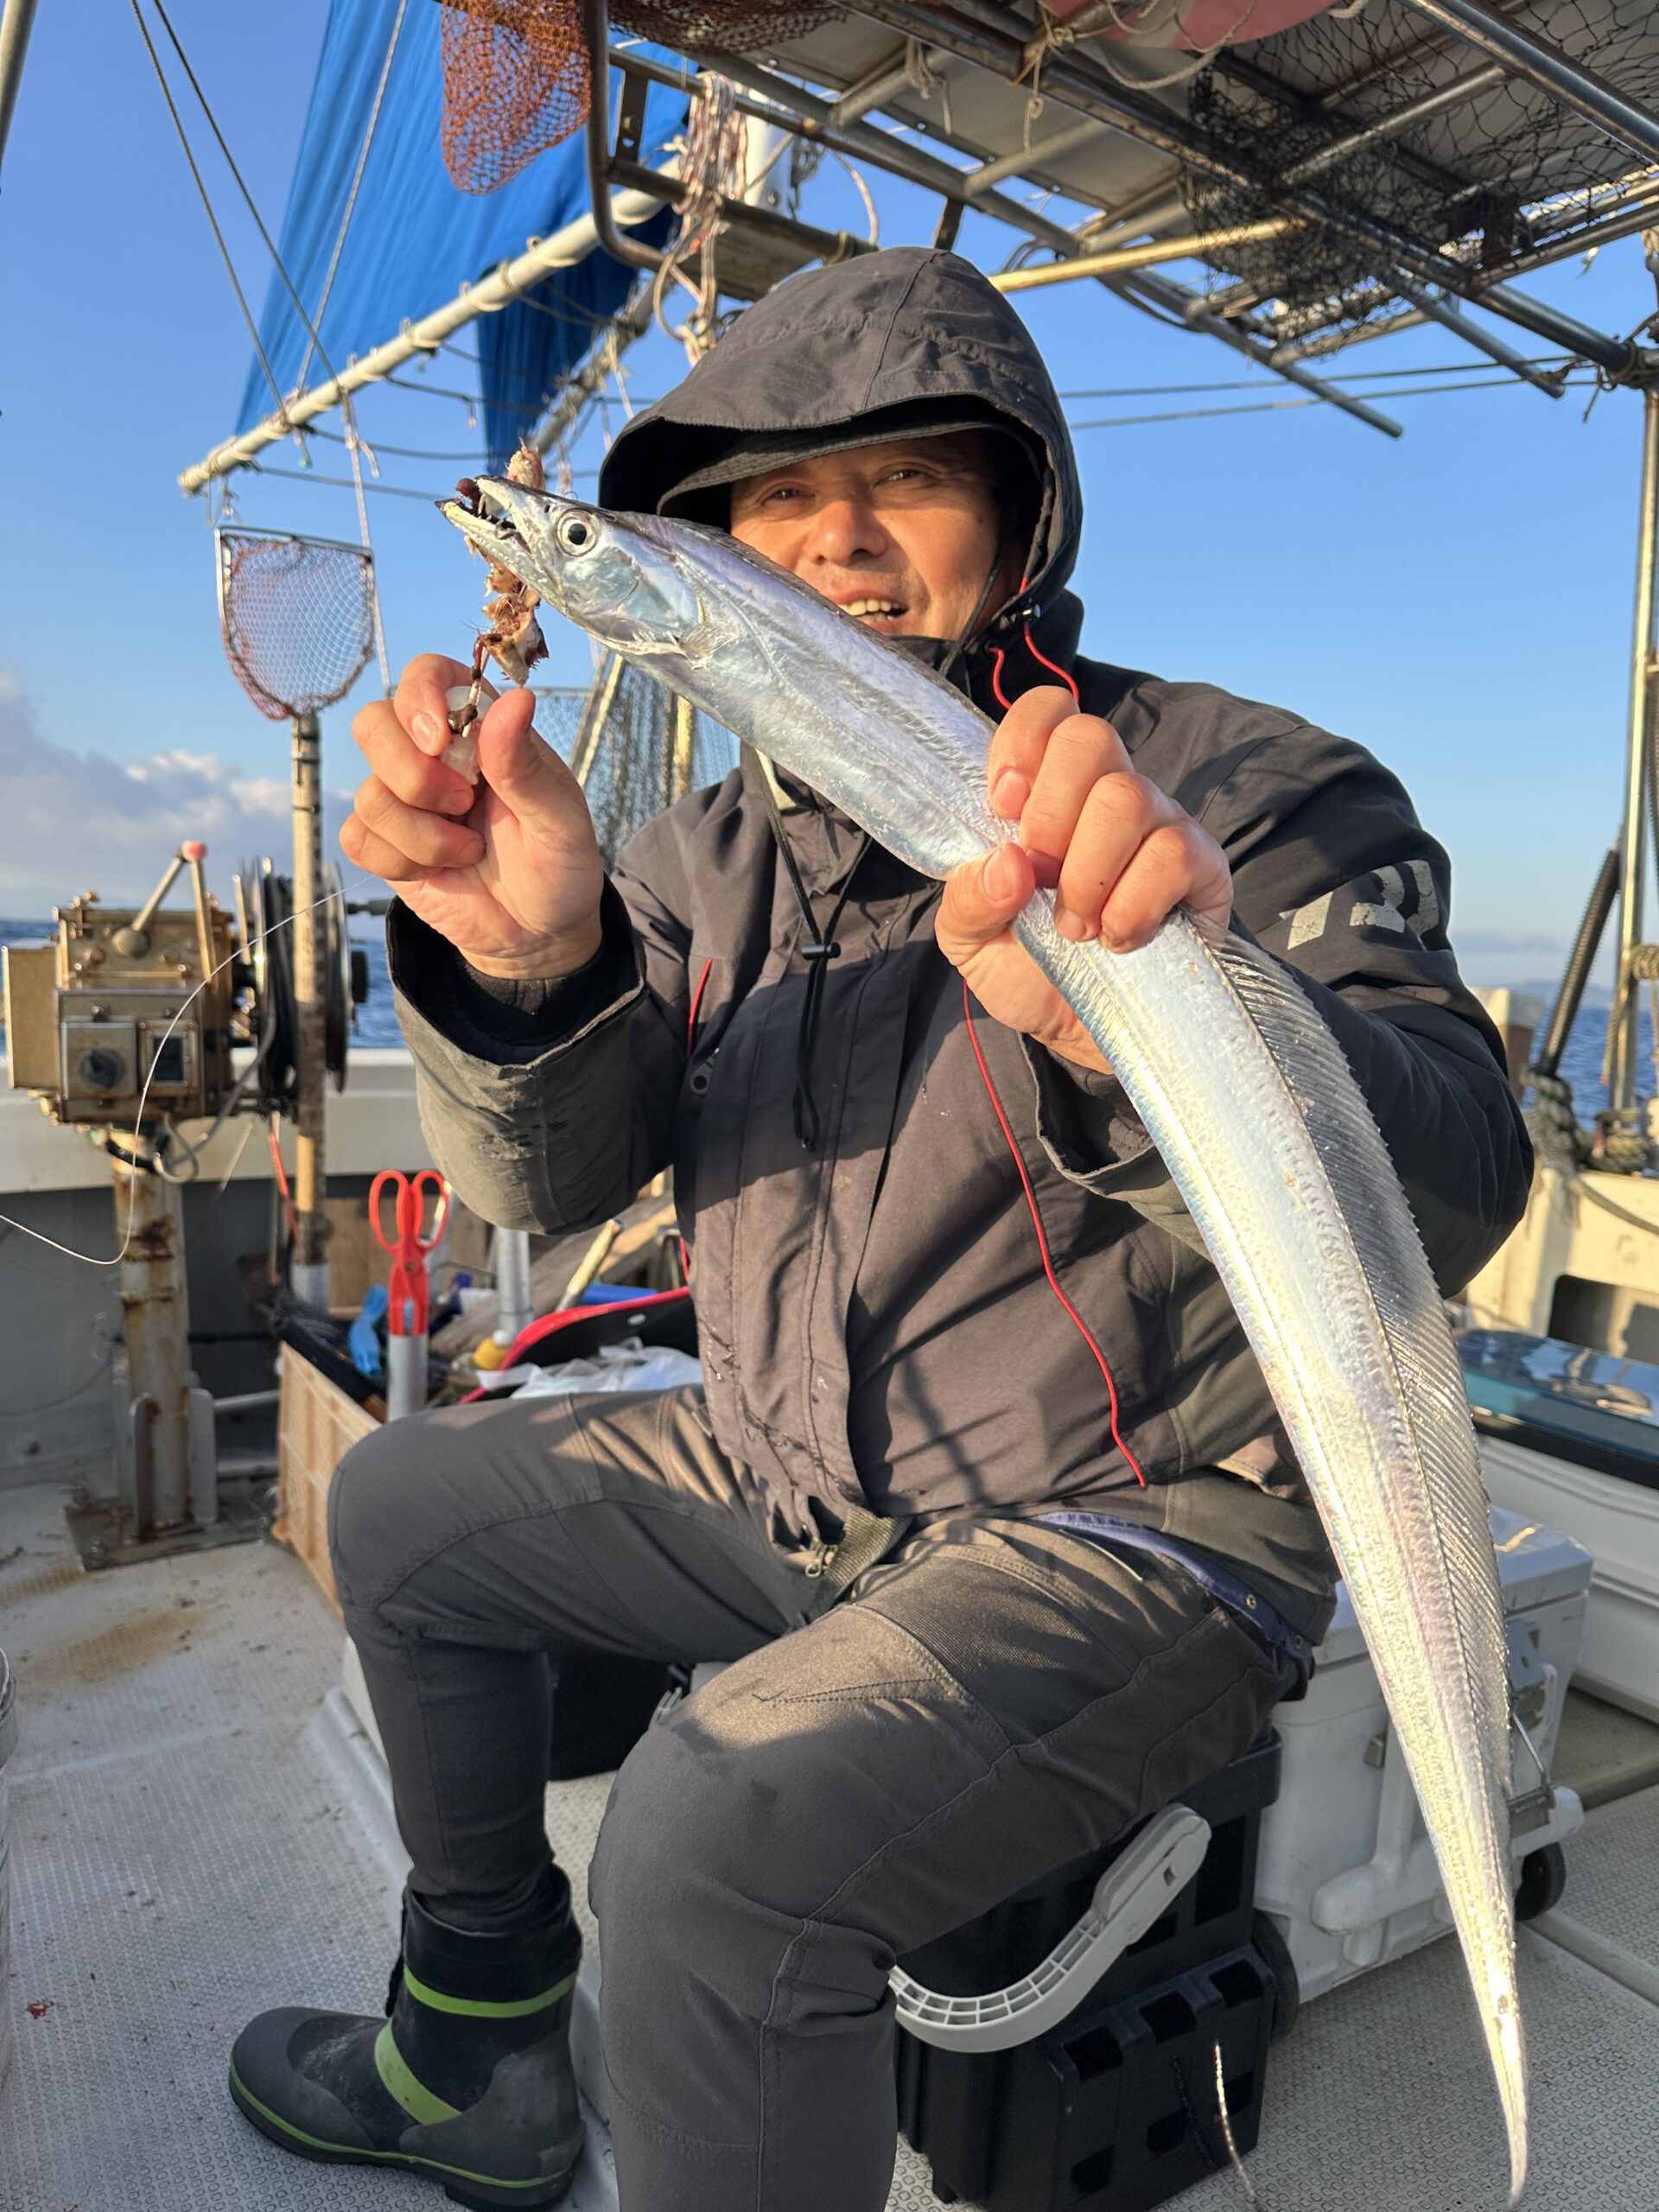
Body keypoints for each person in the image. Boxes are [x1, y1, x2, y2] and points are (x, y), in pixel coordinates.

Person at [228, 248, 1530, 2212]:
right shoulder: (696, 858)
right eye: (775, 495)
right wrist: (529, 967)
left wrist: (1162, 1010)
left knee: (703, 1841)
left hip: (1145, 1525)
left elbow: (1459, 1178)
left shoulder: (1243, 789)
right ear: (714, 552)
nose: (834, 533)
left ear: (1015, 515)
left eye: (906, 475)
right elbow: (548, 1181)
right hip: (798, 1477)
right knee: (406, 1503)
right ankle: (478, 2041)